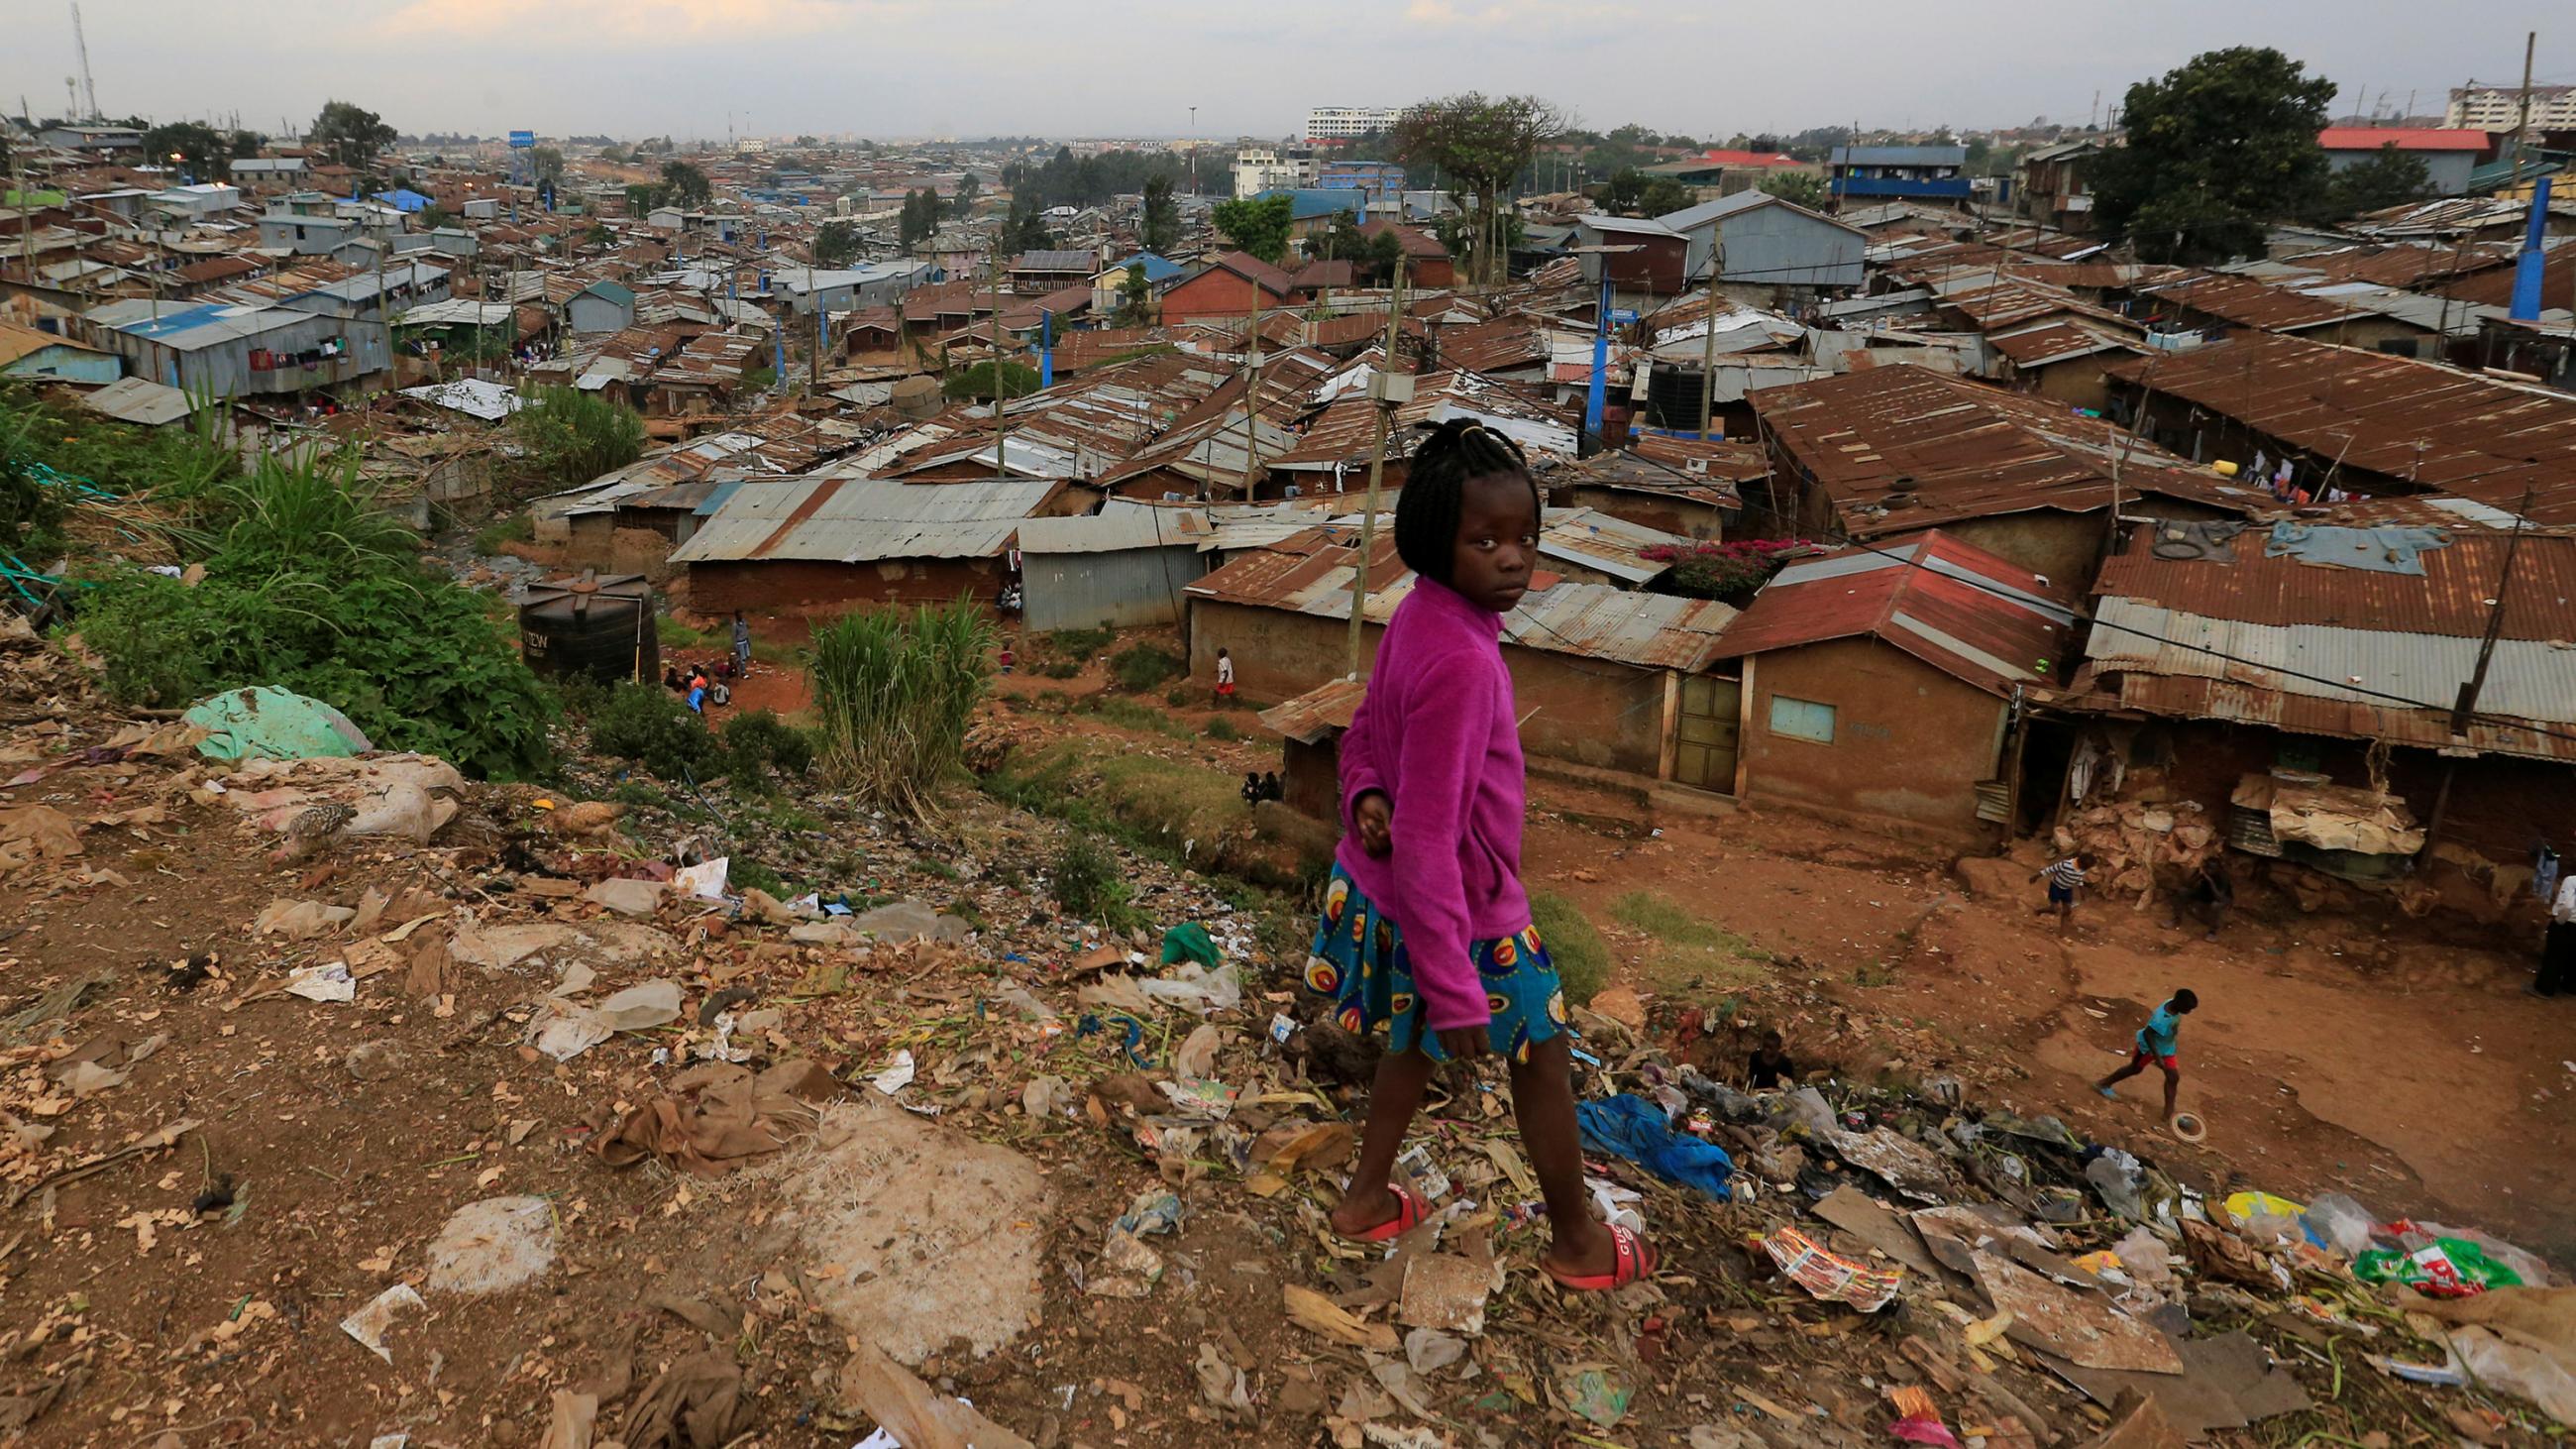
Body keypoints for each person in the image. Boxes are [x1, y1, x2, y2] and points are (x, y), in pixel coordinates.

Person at [1305, 418, 1654, 1291]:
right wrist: (1459, 985)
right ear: (1435, 540)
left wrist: (1364, 793)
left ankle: (1363, 1201)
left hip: (1394, 896)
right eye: (1487, 540)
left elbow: (1363, 738)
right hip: (1465, 912)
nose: (1514, 559)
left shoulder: (1418, 617)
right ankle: (1577, 1242)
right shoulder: (1464, 660)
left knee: (1411, 1047)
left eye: (1527, 537)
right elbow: (1428, 834)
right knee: (1542, 1052)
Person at [2096, 989, 2198, 1118]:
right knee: (2134, 1069)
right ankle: (2103, 1084)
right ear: (2178, 1003)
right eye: (2187, 1008)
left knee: (2173, 1077)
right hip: (2148, 1049)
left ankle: (2169, 1114)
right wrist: (2157, 1057)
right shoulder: (2162, 1018)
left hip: (2166, 1049)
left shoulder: (2173, 1006)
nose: (2189, 1012)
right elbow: (2147, 1034)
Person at [2169, 857, 2234, 941]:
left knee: (2215, 905)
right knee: (2182, 891)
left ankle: (2212, 932)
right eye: (2207, 868)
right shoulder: (2203, 872)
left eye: (2212, 869)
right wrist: (2198, 876)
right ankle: (2176, 919)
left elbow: (2219, 897)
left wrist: (2210, 881)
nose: (2209, 871)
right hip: (2205, 894)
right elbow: (2187, 884)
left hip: (2222, 898)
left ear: (2218, 869)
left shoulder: (2223, 877)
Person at [2032, 851, 2094, 936]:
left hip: (2067, 889)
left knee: (2067, 911)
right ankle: (2039, 911)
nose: (2085, 870)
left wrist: (2081, 890)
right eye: (2085, 868)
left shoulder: (2082, 868)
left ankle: (2062, 931)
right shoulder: (2066, 864)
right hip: (2056, 887)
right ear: (2080, 863)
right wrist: (2036, 876)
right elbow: (2050, 869)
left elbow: (2079, 877)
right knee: (2054, 909)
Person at [2539, 874, 2576, 998]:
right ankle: (2570, 987)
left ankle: (2544, 989)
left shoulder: (2571, 880)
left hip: (2568, 923)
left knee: (2554, 956)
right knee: (2573, 957)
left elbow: (2568, 906)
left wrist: (2558, 922)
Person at [731, 611, 752, 676]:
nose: (741, 616)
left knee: (747, 656)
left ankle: (738, 662)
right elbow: (734, 636)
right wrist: (736, 646)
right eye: (739, 615)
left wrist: (748, 640)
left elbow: (746, 631)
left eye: (741, 614)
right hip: (740, 643)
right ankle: (742, 672)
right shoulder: (735, 625)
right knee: (742, 658)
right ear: (736, 616)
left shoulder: (744, 622)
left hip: (745, 641)